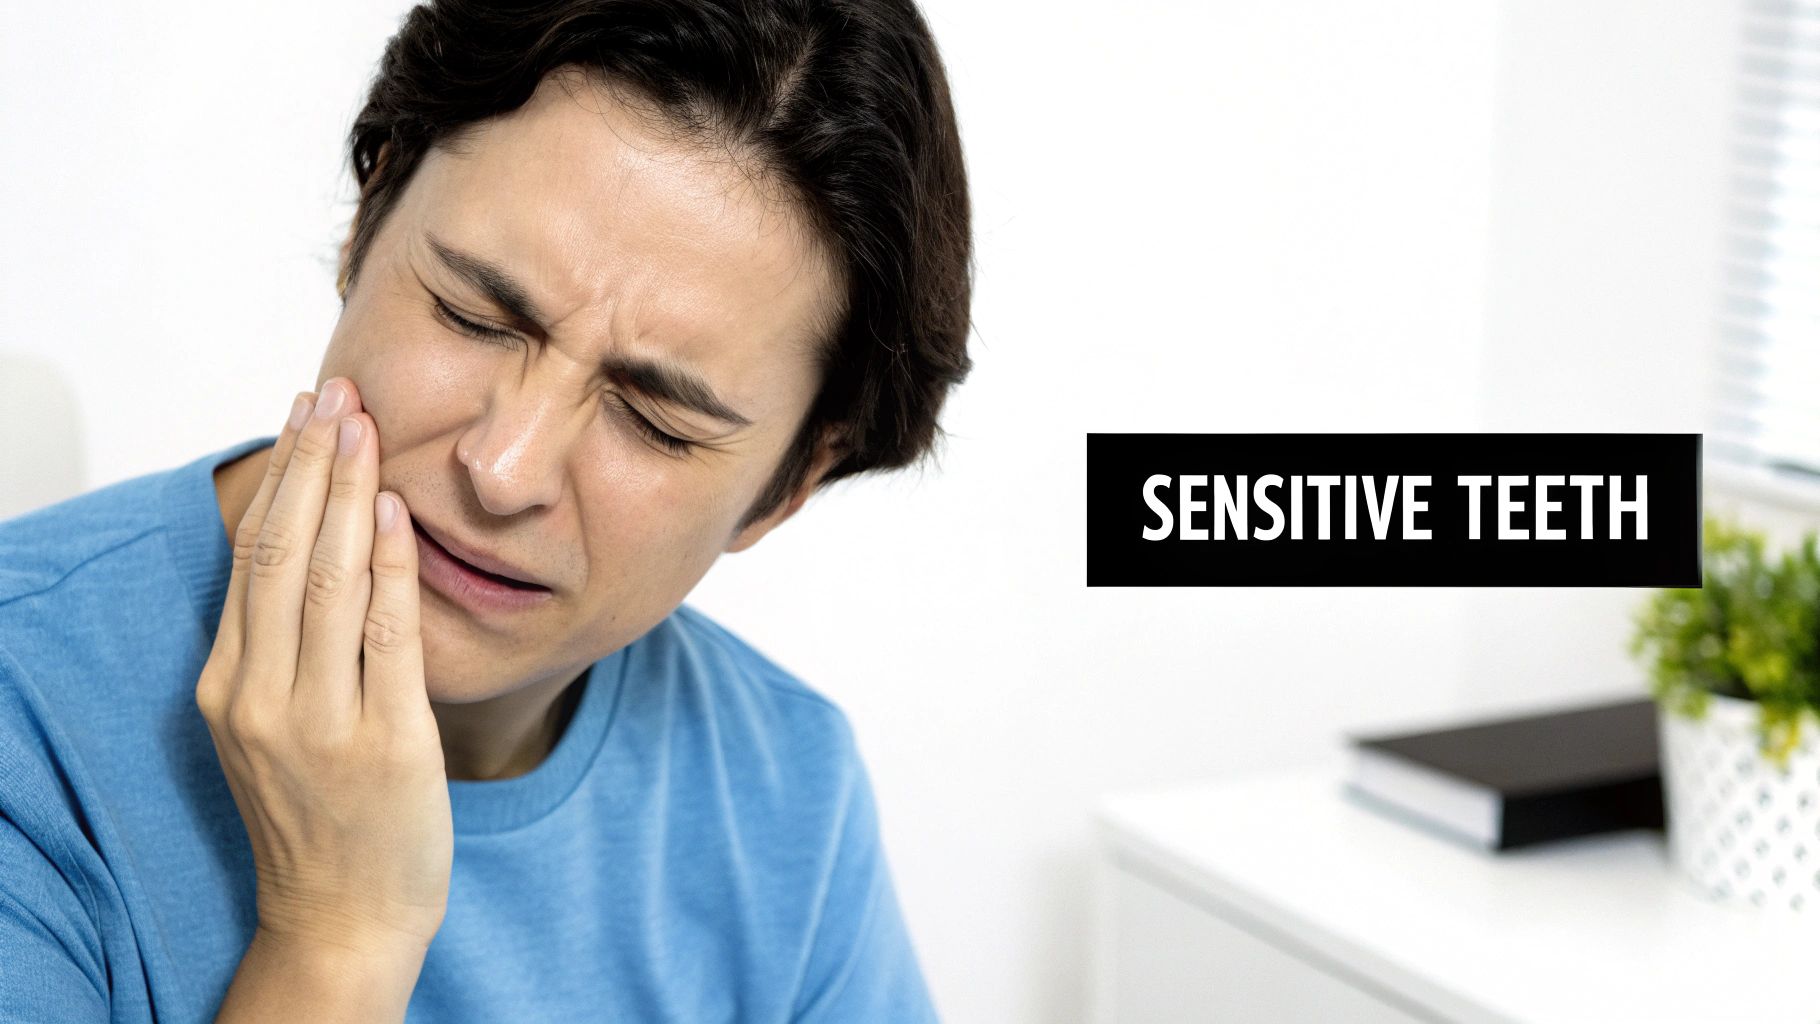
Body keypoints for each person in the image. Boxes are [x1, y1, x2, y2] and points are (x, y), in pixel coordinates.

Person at [0, 0, 972, 1020]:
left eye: (652, 419)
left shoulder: (787, 798)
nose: (504, 470)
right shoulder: (29, 726)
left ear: (785, 486)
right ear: (367, 220)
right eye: (474, 315)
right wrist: (337, 935)